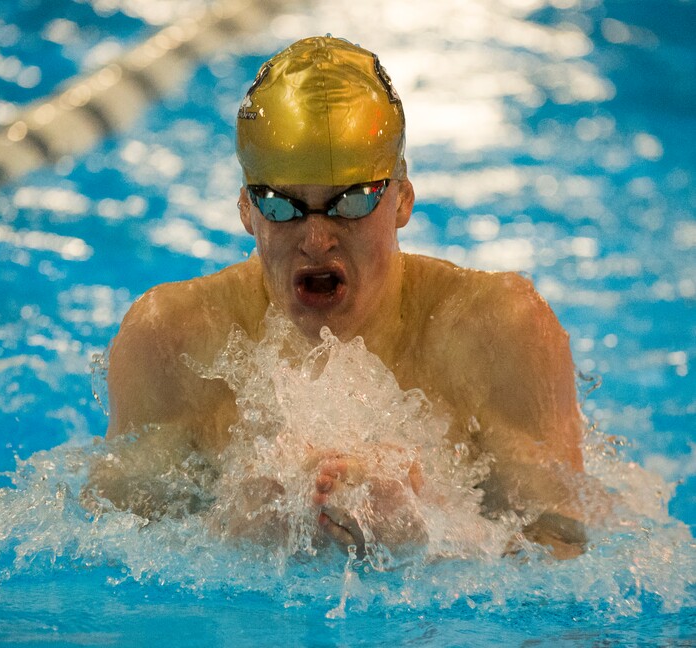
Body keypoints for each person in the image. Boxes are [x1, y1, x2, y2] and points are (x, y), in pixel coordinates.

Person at [87, 36, 607, 559]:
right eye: (282, 206)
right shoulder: (172, 340)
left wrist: (431, 541)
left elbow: (567, 559)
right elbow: (100, 556)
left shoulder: (497, 331)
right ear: (246, 209)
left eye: (351, 202)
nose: (316, 239)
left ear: (401, 199)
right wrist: (228, 536)